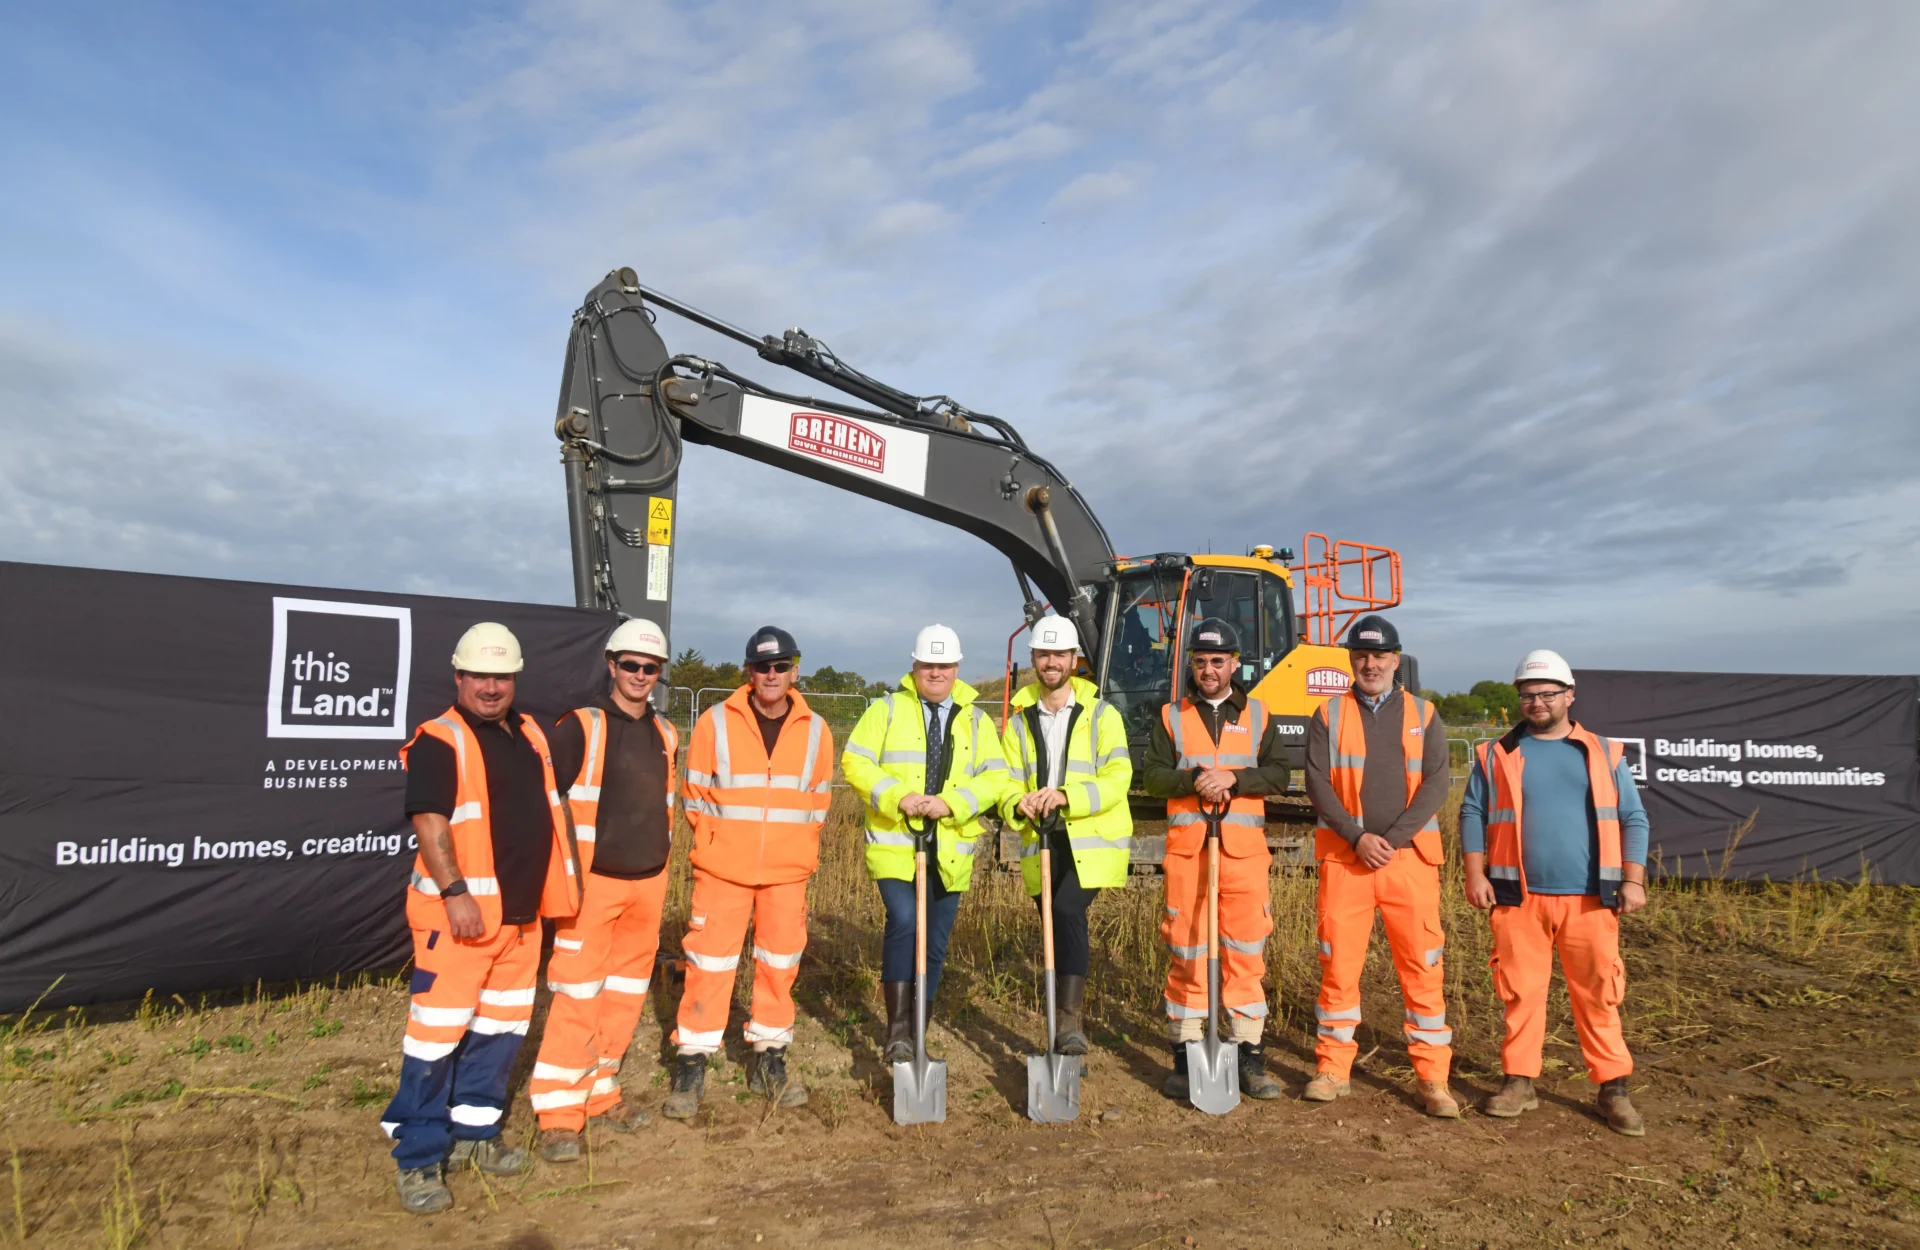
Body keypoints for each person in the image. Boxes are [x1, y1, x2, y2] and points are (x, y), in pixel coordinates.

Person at [383, 623, 582, 1214]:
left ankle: (475, 1135)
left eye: (501, 676)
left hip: (520, 922)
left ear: (514, 678)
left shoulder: (529, 735)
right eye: (480, 676)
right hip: (463, 921)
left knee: (499, 1033)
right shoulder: (439, 739)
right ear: (459, 677)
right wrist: (455, 893)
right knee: (435, 1038)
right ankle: (418, 1157)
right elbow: (429, 819)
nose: (491, 687)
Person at [1460, 649, 1651, 1136]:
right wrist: (1475, 874)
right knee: (1521, 994)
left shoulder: (1604, 753)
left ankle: (1613, 1089)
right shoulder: (1496, 754)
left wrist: (1633, 879)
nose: (1537, 702)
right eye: (1528, 695)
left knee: (1599, 995)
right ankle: (1519, 1082)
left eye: (1547, 694)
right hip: (1517, 897)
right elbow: (1472, 816)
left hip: (1591, 898)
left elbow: (1633, 818)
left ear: (1569, 696)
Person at [663, 626, 834, 1119]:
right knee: (709, 965)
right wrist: (722, 842)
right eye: (763, 667)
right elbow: (693, 798)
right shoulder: (714, 723)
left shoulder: (817, 731)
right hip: (723, 870)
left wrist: (792, 843)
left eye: (781, 666)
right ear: (749, 672)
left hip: (787, 871)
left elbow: (818, 801)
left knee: (779, 968)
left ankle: (769, 1058)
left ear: (795, 670)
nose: (772, 675)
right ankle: (692, 1062)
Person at [528, 619, 678, 1161]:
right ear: (612, 665)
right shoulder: (581, 726)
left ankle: (601, 1091)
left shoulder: (665, 734)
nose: (640, 675)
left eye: (650, 667)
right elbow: (543, 803)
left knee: (623, 997)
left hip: (648, 883)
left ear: (659, 675)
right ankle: (559, 1113)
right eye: (631, 665)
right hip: (594, 886)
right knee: (577, 995)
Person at [1301, 614, 1457, 1116]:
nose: (1370, 664)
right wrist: (1358, 837)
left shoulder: (1425, 713)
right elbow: (1317, 783)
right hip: (1347, 859)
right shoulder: (1329, 713)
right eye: (1362, 655)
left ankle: (1433, 1081)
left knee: (1422, 967)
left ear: (1396, 659)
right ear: (1352, 660)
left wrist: (1388, 840)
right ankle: (1332, 1069)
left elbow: (1437, 780)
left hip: (1408, 860)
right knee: (1339, 966)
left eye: (1380, 655)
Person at [842, 624, 1011, 1064]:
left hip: (949, 847)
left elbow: (996, 779)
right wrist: (901, 798)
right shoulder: (887, 709)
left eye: (944, 665)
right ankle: (897, 1031)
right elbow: (855, 759)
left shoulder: (975, 720)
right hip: (897, 842)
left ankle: (919, 1031)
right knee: (903, 920)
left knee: (934, 943)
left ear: (956, 669)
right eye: (928, 665)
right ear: (914, 666)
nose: (936, 672)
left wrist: (950, 804)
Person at [1140, 618, 1291, 1101]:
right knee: (1186, 951)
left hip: (1243, 856)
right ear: (1192, 664)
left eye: (1218, 661)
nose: (1209, 669)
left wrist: (1233, 779)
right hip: (1189, 856)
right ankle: (1186, 1055)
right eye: (1201, 661)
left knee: (1246, 953)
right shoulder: (1171, 717)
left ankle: (1248, 1054)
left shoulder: (1260, 715)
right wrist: (1196, 779)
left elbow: (1280, 774)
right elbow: (1155, 777)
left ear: (1234, 663)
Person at [996, 616, 1133, 1053]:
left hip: (1090, 839)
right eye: (1043, 654)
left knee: (1068, 911)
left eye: (1059, 654)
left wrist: (1066, 796)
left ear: (1074, 660)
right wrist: (1017, 802)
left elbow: (1118, 776)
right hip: (1042, 839)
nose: (1051, 662)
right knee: (1052, 923)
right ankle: (1059, 1026)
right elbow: (1006, 780)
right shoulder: (1019, 721)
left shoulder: (1102, 715)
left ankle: (1070, 1025)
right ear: (1033, 659)